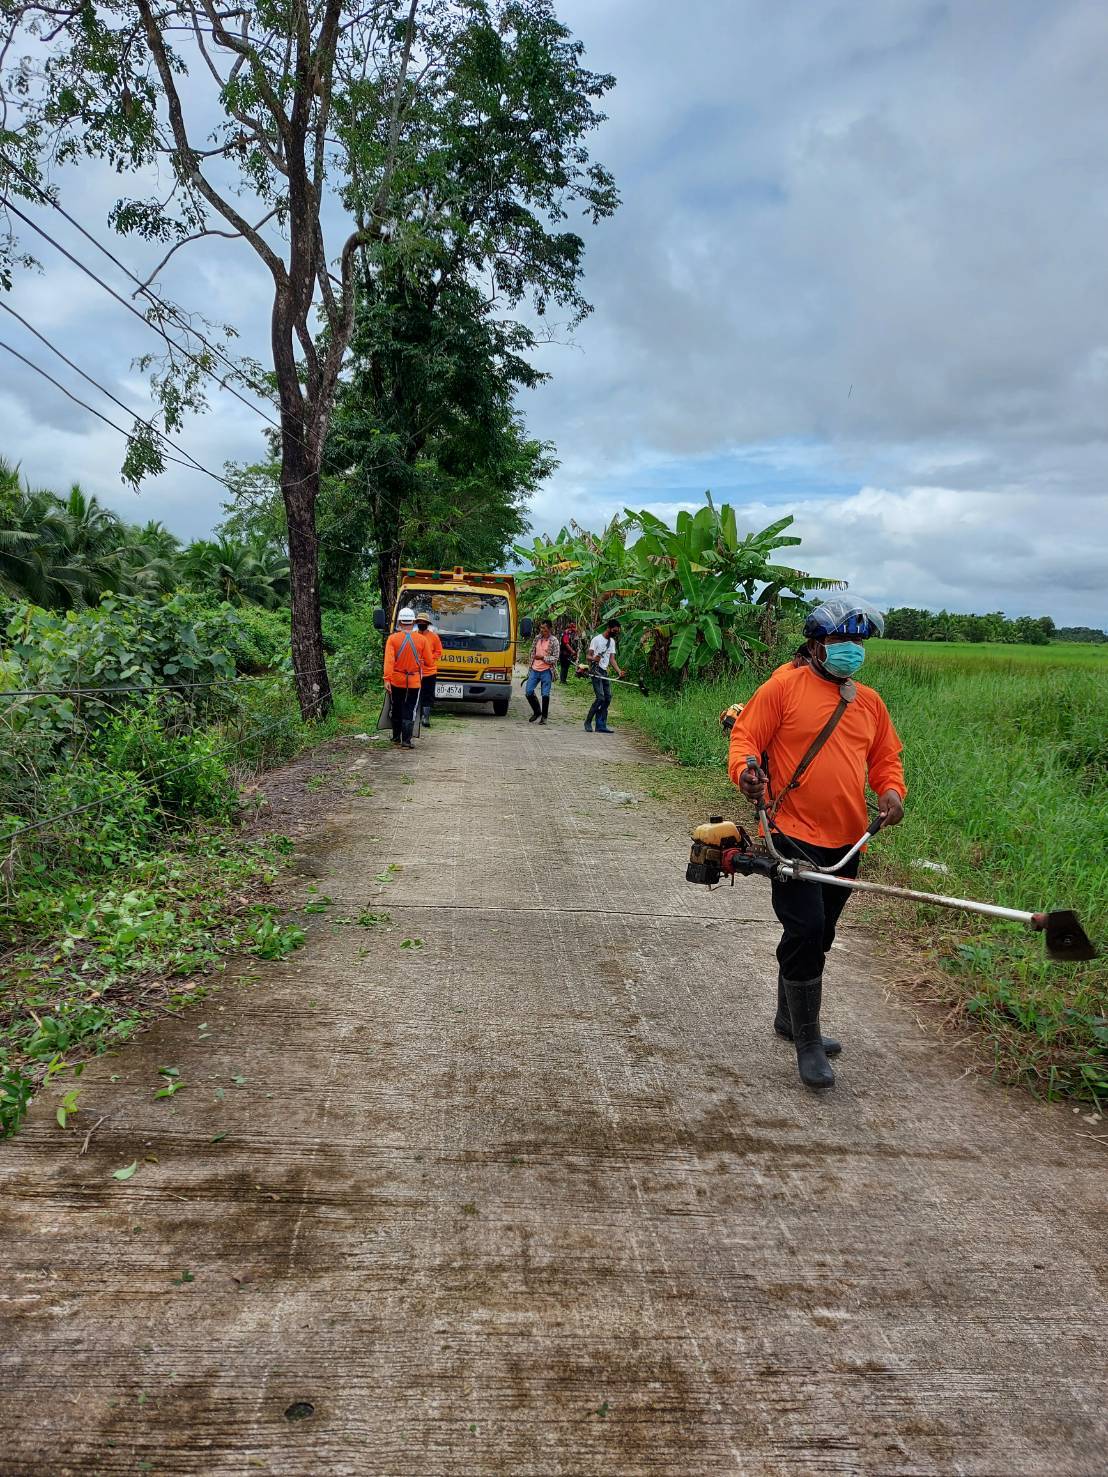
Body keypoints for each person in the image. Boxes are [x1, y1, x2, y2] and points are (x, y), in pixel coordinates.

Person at [727, 597, 906, 1090]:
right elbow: (745, 740)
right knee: (806, 928)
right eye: (841, 641)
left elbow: (885, 759)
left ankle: (790, 1018)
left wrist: (891, 792)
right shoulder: (783, 688)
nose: (851, 650)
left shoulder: (869, 703)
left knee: (820, 932)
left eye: (858, 642)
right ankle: (808, 1043)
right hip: (791, 833)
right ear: (816, 644)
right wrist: (746, 773)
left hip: (849, 841)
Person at [383, 607, 426, 749]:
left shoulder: (392, 639)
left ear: (400, 622)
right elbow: (429, 661)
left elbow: (389, 661)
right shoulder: (422, 639)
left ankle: (396, 737)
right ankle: (406, 740)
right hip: (414, 681)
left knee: (397, 707)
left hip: (396, 680)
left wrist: (387, 679)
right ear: (413, 622)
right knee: (410, 708)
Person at [584, 618, 623, 734]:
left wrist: (619, 671)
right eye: (615, 631)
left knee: (608, 698)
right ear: (609, 628)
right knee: (600, 697)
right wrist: (593, 658)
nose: (616, 633)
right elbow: (588, 656)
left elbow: (612, 659)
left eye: (617, 631)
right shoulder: (596, 639)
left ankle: (601, 724)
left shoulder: (612, 642)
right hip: (596, 671)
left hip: (604, 672)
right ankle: (588, 721)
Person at [525, 618, 559, 725]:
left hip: (546, 670)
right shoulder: (537, 638)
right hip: (535, 669)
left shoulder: (554, 641)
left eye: (544, 628)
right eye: (541, 627)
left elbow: (555, 658)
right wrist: (531, 664)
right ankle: (537, 711)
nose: (541, 630)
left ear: (549, 629)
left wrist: (543, 658)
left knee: (545, 694)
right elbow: (532, 651)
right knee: (529, 691)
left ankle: (544, 717)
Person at [415, 609, 443, 729]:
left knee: (428, 695)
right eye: (419, 621)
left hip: (430, 672)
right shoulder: (413, 636)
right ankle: (415, 716)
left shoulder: (434, 637)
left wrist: (429, 659)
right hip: (415, 671)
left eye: (423, 621)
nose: (421, 623)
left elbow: (439, 652)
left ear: (427, 623)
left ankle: (426, 717)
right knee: (415, 694)